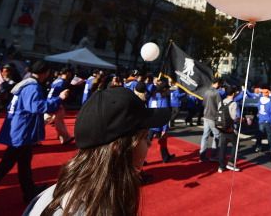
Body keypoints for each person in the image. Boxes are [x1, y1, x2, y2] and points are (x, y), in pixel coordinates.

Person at [23, 86, 171, 215]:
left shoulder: (63, 193)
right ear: (118, 149)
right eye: (144, 137)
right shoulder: (91, 209)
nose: (150, 143)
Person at [0, 61, 69, 216]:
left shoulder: (26, 84)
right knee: (1, 170)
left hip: (20, 131)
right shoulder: (32, 86)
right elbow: (37, 107)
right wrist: (59, 99)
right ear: (44, 72)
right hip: (21, 133)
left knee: (24, 164)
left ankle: (29, 191)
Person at [146, 78, 175, 163]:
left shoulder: (152, 96)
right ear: (165, 89)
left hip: (151, 122)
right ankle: (165, 157)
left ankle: (165, 157)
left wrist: (154, 83)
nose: (169, 90)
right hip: (159, 123)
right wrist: (165, 129)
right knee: (162, 141)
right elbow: (164, 114)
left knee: (147, 142)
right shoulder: (164, 98)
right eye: (168, 88)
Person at [45, 68, 74, 145]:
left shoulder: (56, 80)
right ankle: (65, 138)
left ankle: (64, 137)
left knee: (50, 119)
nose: (71, 75)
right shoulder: (64, 83)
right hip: (56, 102)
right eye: (70, 73)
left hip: (50, 101)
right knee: (57, 121)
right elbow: (65, 94)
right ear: (67, 73)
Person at [217, 86, 241, 173]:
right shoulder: (233, 103)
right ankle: (230, 162)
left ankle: (221, 166)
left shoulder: (221, 102)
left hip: (222, 128)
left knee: (222, 147)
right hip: (230, 129)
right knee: (236, 145)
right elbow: (234, 117)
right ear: (234, 93)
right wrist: (241, 119)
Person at [199, 78, 222, 162]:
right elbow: (220, 106)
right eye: (219, 84)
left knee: (205, 135)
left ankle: (202, 155)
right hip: (213, 116)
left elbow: (203, 104)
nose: (220, 86)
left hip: (206, 115)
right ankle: (213, 155)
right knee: (217, 135)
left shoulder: (206, 92)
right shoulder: (216, 93)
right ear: (217, 83)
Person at [255, 86, 271, 155]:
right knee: (269, 135)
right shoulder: (270, 102)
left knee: (259, 134)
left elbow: (258, 108)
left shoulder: (260, 100)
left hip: (261, 119)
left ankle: (258, 146)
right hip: (268, 120)